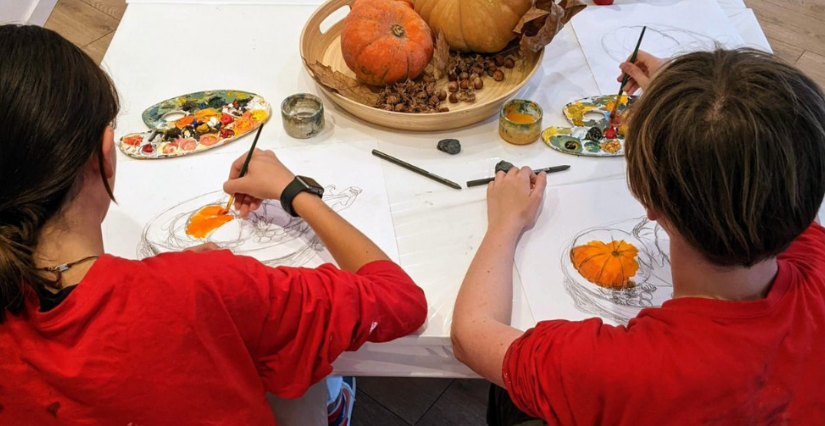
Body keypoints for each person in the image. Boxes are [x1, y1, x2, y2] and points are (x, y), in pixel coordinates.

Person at [0, 25, 427, 425]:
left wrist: (158, 283)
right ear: (105, 154)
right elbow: (400, 300)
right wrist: (295, 192)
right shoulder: (205, 288)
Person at [451, 48, 825, 426]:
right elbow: (752, 165)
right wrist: (683, 94)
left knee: (511, 398)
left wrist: (505, 223)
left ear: (649, 202)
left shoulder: (621, 369)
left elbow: (471, 335)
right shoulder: (815, 255)